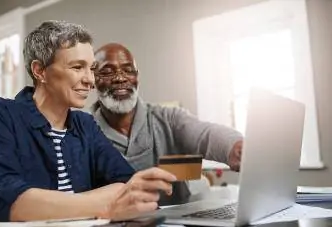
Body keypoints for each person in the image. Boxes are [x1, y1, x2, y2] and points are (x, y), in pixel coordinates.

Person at [0, 21, 177, 222]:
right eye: (78, 67)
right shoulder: (0, 115)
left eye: (92, 69)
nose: (90, 80)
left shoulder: (85, 124)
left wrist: (52, 205)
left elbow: (129, 187)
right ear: (40, 71)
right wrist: (106, 206)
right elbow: (8, 201)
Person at [92, 43, 243, 204]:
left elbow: (205, 134)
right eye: (107, 72)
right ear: (92, 79)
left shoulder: (168, 118)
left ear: (138, 77)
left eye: (128, 70)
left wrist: (235, 147)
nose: (120, 78)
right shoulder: (81, 130)